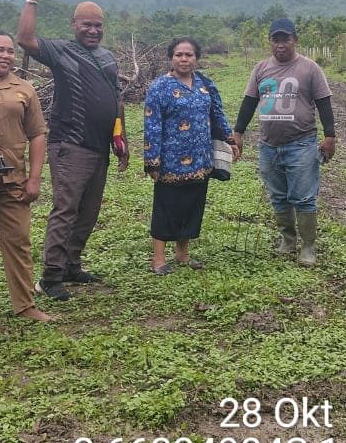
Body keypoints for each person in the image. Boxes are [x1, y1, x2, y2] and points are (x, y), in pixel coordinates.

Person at [17, 0, 129, 301]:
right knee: (66, 209)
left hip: (100, 147)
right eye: (86, 25)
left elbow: (116, 100)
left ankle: (71, 264)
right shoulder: (61, 52)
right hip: (70, 145)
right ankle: (50, 277)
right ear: (74, 24)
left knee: (89, 211)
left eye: (97, 25)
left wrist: (121, 141)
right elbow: (25, 38)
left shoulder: (108, 58)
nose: (92, 30)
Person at [229, 17, 336, 266]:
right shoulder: (260, 68)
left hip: (301, 143)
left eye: (285, 39)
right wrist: (238, 132)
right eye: (276, 40)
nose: (280, 45)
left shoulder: (310, 68)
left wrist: (330, 136)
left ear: (295, 40)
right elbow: (248, 102)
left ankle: (308, 247)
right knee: (278, 196)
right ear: (270, 42)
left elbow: (324, 103)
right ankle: (288, 240)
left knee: (304, 197)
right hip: (268, 146)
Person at [0, 30, 53, 323]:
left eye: (9, 51)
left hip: (14, 179)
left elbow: (37, 134)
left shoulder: (24, 89)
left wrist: (35, 178)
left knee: (18, 241)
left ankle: (25, 304)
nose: (5, 56)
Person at [143, 38, 235, 274]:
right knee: (166, 207)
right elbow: (152, 125)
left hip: (200, 159)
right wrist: (152, 160)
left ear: (196, 58)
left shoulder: (205, 84)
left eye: (189, 55)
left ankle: (182, 254)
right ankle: (159, 259)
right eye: (178, 55)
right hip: (171, 161)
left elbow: (217, 114)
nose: (184, 59)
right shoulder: (159, 87)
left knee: (192, 206)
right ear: (171, 58)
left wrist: (230, 138)